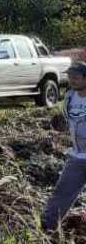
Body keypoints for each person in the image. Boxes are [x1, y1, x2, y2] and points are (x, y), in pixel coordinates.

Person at [41, 62, 86, 232]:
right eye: (70, 76)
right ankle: (47, 228)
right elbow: (68, 118)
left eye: (76, 76)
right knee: (62, 192)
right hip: (77, 156)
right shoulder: (69, 96)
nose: (72, 80)